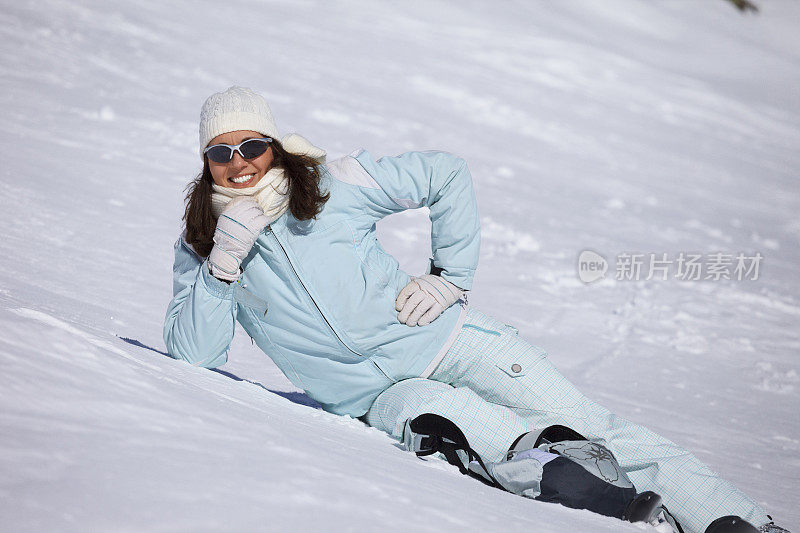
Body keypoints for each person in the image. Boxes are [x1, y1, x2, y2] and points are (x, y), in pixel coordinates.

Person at [164, 86, 785, 533]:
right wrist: (224, 263)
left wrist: (448, 279)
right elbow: (193, 357)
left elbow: (445, 175)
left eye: (250, 145)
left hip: (450, 338)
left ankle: (740, 523)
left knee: (598, 425)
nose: (239, 162)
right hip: (378, 397)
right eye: (222, 153)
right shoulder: (202, 245)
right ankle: (605, 497)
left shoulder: (329, 184)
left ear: (272, 144)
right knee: (474, 429)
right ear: (206, 162)